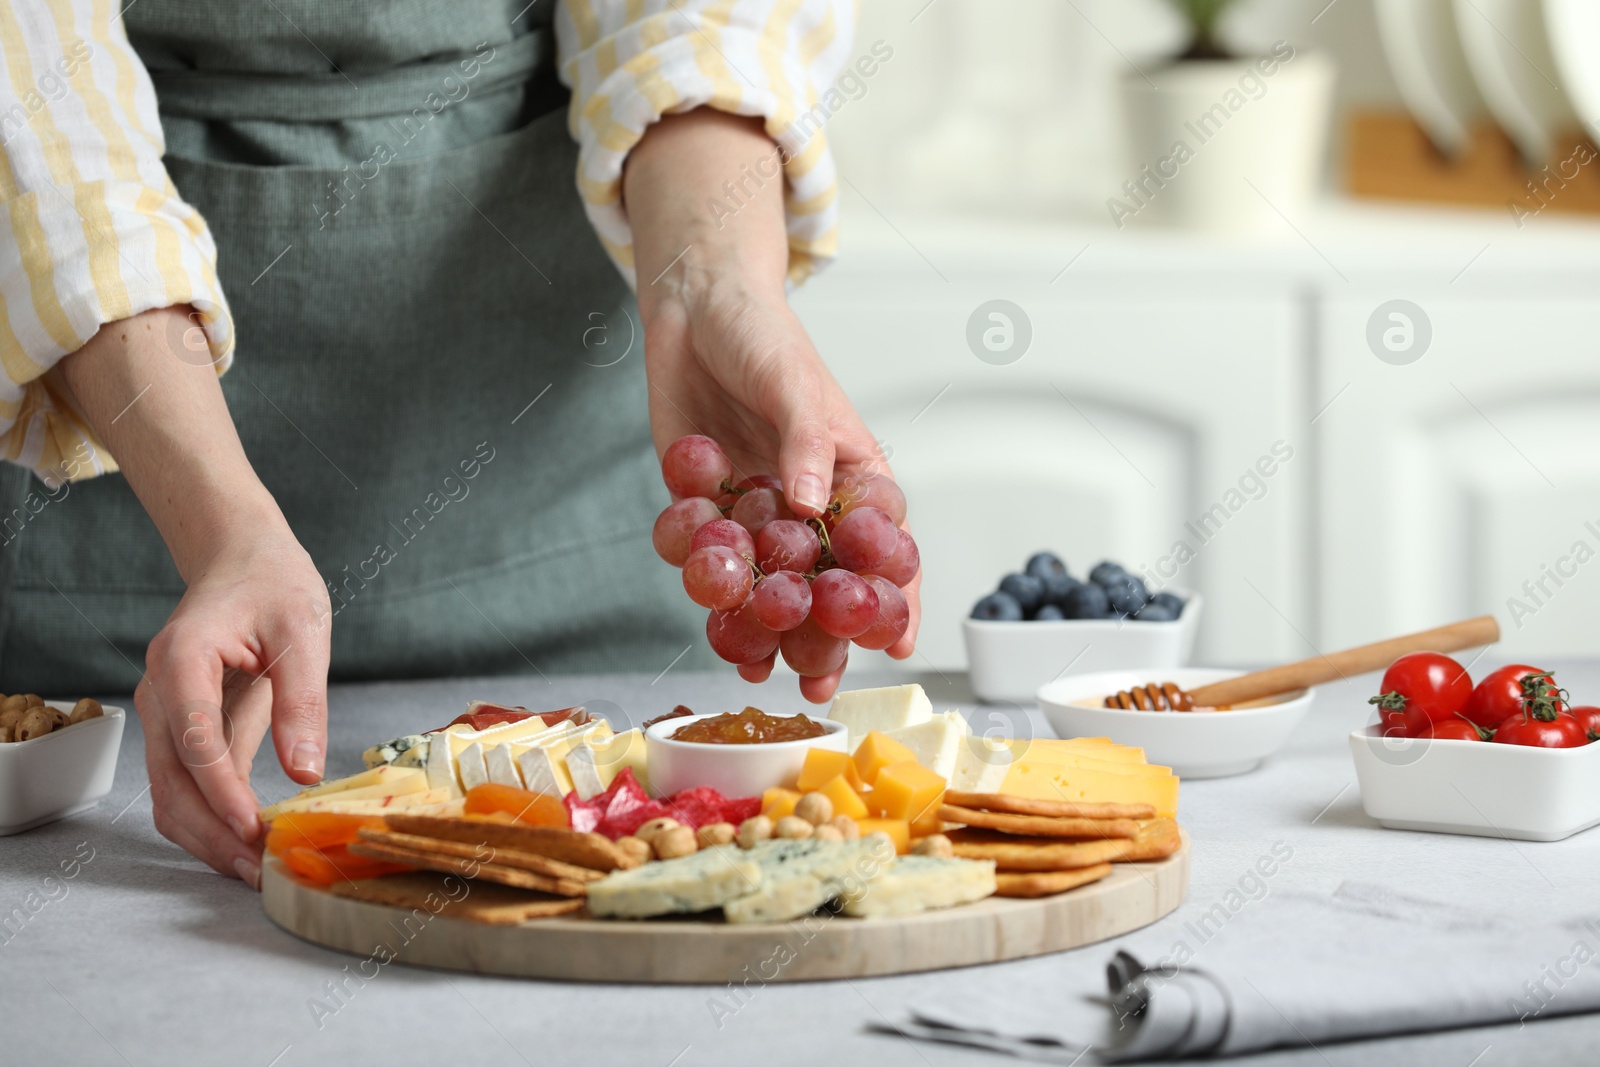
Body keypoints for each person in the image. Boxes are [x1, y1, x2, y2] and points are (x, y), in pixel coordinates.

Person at [0, 0, 919, 887]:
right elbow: (37, 110)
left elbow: (701, 19)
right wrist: (217, 525)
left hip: (564, 534)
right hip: (117, 566)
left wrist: (717, 287)